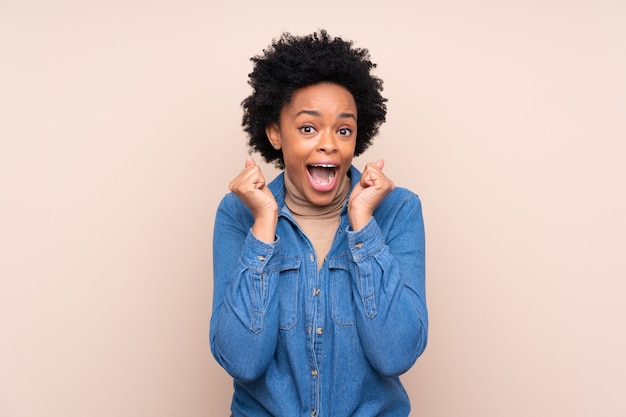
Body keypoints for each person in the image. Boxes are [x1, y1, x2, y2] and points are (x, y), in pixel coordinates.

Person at [210, 30, 428, 417]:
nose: (329, 144)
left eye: (343, 130)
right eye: (308, 128)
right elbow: (243, 361)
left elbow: (396, 354)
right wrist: (263, 225)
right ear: (276, 133)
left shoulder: (399, 210)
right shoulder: (238, 213)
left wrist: (363, 228)